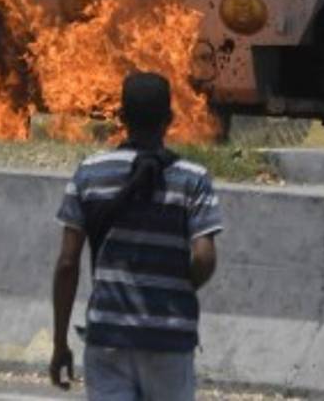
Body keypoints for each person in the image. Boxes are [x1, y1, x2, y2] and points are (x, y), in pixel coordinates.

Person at [50, 70, 222, 400]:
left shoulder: (90, 174)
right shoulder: (193, 179)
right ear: (170, 118)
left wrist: (59, 344)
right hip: (170, 339)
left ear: (120, 117)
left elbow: (67, 263)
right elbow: (204, 257)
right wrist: (178, 289)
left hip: (108, 338)